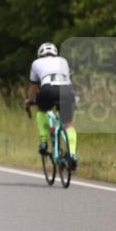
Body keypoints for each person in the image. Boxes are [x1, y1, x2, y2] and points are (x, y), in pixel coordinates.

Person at [25, 42, 78, 170]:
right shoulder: (63, 60)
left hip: (48, 89)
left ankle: (43, 142)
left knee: (41, 110)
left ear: (40, 54)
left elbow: (33, 87)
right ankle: (72, 155)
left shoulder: (36, 63)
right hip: (67, 91)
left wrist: (30, 100)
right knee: (69, 125)